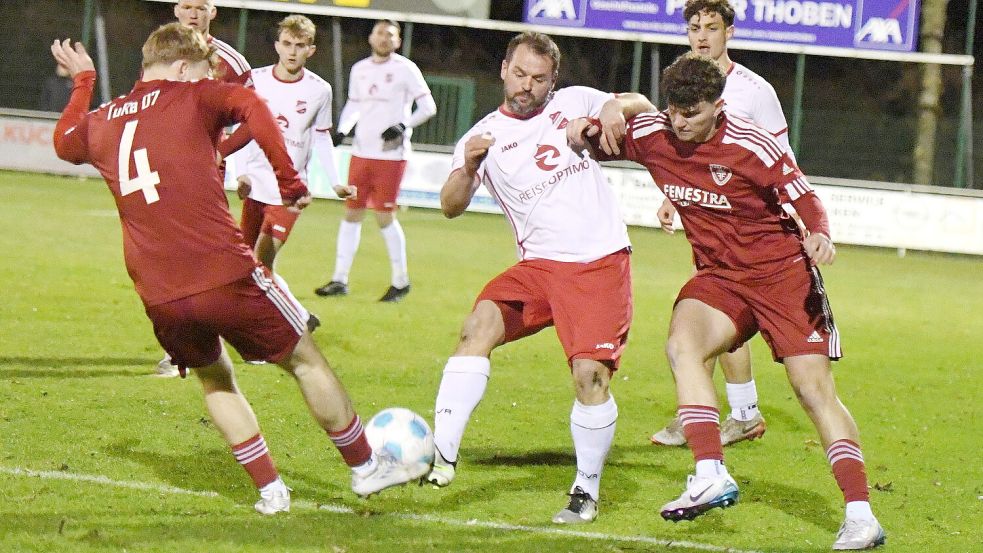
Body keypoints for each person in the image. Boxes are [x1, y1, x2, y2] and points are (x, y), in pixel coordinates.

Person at [50, 23, 418, 515]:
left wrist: (84, 81)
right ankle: (367, 467)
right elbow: (252, 106)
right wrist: (290, 180)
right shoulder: (193, 95)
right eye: (205, 71)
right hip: (223, 272)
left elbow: (64, 142)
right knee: (306, 360)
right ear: (183, 68)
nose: (209, 79)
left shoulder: (105, 119)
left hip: (159, 292)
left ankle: (271, 492)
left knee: (215, 379)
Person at [570, 52, 885, 550]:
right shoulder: (656, 133)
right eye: (674, 110)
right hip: (720, 278)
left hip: (782, 278)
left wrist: (820, 233)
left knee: (811, 389)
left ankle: (861, 514)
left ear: (718, 106)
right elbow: (594, 137)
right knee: (683, 346)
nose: (679, 122)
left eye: (691, 113)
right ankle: (710, 473)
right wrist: (588, 124)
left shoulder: (751, 144)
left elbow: (805, 197)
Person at [423, 31, 654, 525]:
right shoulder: (482, 136)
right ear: (504, 70)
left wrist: (613, 106)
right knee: (476, 328)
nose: (527, 85)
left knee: (589, 376)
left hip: (597, 262)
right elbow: (449, 206)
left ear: (554, 81)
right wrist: (468, 167)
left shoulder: (574, 101)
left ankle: (586, 491)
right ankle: (441, 458)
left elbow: (640, 103)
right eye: (520, 74)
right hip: (537, 268)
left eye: (539, 78)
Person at [650, 0, 794, 448]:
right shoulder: (683, 83)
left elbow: (782, 157)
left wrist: (794, 213)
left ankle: (716, 414)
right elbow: (681, 154)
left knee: (713, 310)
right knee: (709, 310)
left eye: (711, 28)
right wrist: (672, 196)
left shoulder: (754, 90)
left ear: (728, 32)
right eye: (694, 27)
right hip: (706, 220)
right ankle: (722, 412)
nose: (701, 36)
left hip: (748, 227)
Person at [223, 14, 350, 333]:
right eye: (287, 43)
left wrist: (335, 181)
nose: (293, 51)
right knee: (248, 266)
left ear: (311, 50)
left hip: (290, 192)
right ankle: (299, 315)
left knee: (261, 260)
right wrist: (241, 173)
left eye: (300, 45)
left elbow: (321, 136)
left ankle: (273, 331)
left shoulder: (320, 90)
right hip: (255, 185)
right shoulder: (255, 80)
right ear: (277, 45)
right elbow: (241, 127)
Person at [154, 0, 255, 377]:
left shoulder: (231, 62)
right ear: (176, 10)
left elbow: (253, 117)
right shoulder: (158, 52)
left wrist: (221, 151)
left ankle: (191, 345)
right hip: (160, 168)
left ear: (213, 12)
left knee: (195, 257)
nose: (193, 13)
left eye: (201, 6)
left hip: (204, 175)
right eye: (186, 5)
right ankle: (186, 343)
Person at [314, 19, 436, 302]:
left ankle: (400, 281)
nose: (384, 38)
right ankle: (339, 279)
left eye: (390, 35)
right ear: (371, 37)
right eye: (380, 33)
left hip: (390, 156)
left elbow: (428, 107)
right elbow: (355, 104)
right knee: (352, 212)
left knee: (384, 216)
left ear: (398, 41)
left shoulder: (406, 69)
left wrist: (403, 126)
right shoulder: (360, 69)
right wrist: (343, 129)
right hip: (361, 153)